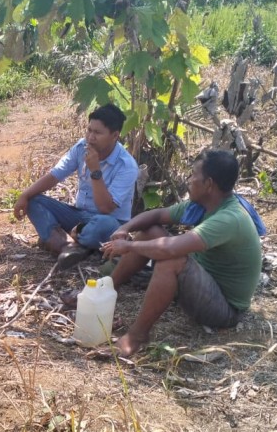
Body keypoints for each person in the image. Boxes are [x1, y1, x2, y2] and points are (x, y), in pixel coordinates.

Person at [101, 149, 263, 357]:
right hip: (203, 282)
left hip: (225, 309)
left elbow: (170, 248)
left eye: (194, 175)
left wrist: (130, 246)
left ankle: (137, 337)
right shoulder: (205, 205)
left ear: (209, 184)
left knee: (171, 260)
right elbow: (157, 215)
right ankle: (106, 291)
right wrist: (125, 229)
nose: (189, 180)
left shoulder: (229, 218)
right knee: (150, 232)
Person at [13, 104, 139, 268]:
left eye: (97, 133)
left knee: (102, 226)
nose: (90, 137)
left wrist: (95, 170)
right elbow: (56, 174)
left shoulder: (127, 166)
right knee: (34, 200)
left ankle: (58, 239)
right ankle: (69, 247)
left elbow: (105, 208)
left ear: (115, 135)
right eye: (89, 130)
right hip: (79, 215)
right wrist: (25, 195)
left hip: (109, 222)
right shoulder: (81, 147)